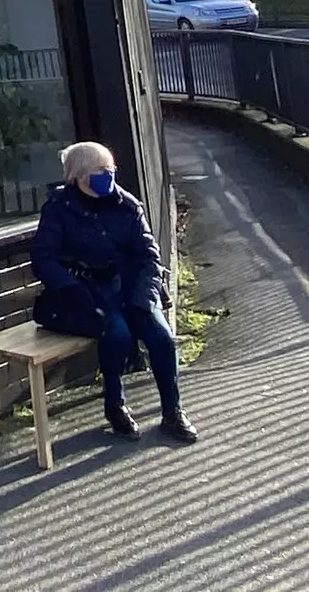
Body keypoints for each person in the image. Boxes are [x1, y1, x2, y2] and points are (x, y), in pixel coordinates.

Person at [31, 141, 197, 441]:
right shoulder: (59, 209)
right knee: (116, 333)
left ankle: (173, 412)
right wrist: (73, 289)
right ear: (79, 177)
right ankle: (114, 404)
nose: (107, 176)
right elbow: (43, 258)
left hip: (133, 287)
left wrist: (144, 298)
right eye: (99, 171)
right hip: (89, 291)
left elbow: (149, 257)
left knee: (160, 337)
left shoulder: (128, 206)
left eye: (110, 170)